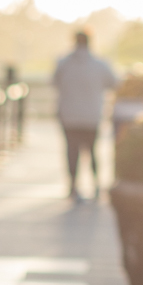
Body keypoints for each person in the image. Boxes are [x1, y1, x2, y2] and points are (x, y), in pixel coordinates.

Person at [52, 30, 117, 200]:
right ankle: (96, 185)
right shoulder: (100, 64)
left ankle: (73, 186)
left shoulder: (64, 63)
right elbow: (114, 83)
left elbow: (54, 82)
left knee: (71, 151)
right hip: (92, 115)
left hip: (69, 115)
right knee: (93, 151)